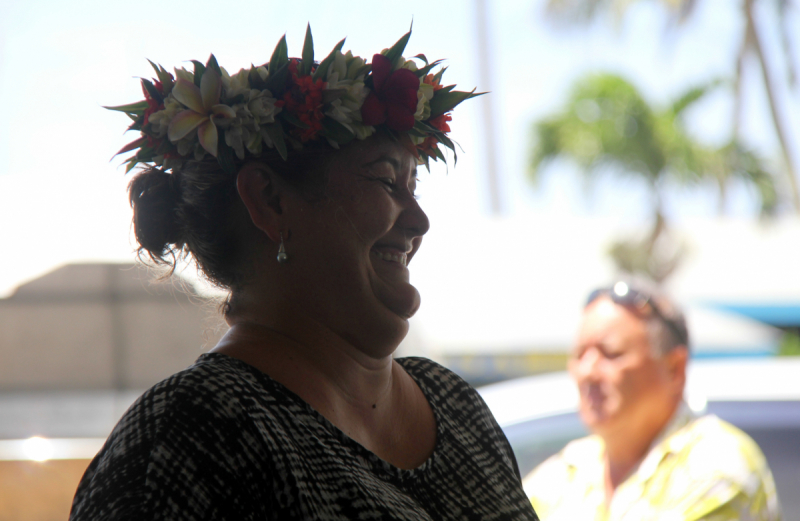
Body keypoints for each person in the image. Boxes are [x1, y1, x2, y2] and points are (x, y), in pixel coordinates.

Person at [69, 27, 538, 520]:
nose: (419, 221)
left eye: (413, 185)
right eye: (384, 179)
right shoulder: (191, 436)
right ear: (270, 201)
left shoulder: (455, 406)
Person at [523, 281, 782, 520]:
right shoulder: (565, 472)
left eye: (611, 353)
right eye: (579, 355)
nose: (587, 371)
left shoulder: (718, 460)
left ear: (674, 369)